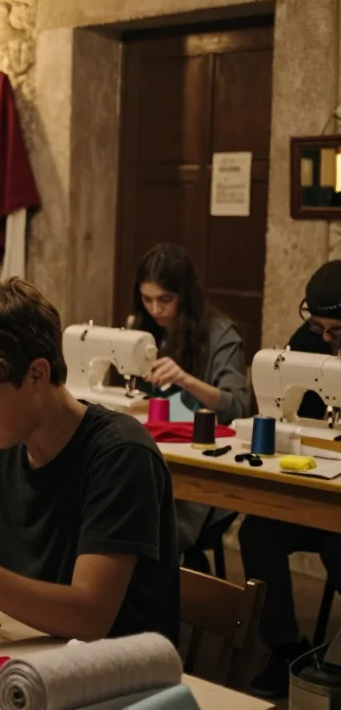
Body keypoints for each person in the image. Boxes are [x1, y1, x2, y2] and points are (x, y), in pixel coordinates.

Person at [0, 278, 179, 643]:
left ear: (37, 373)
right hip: (35, 650)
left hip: (120, 676)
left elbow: (90, 617)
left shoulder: (122, 456)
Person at [238, 260, 341, 698]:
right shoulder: (308, 343)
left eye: (336, 330)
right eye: (320, 328)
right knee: (258, 532)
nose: (326, 338)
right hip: (318, 488)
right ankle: (285, 650)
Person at [127, 243, 251, 564]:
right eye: (147, 299)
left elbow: (236, 406)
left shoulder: (220, 335)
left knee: (139, 525)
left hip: (205, 473)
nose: (155, 309)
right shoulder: (144, 330)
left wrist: (185, 380)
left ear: (185, 294)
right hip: (157, 460)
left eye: (165, 299)